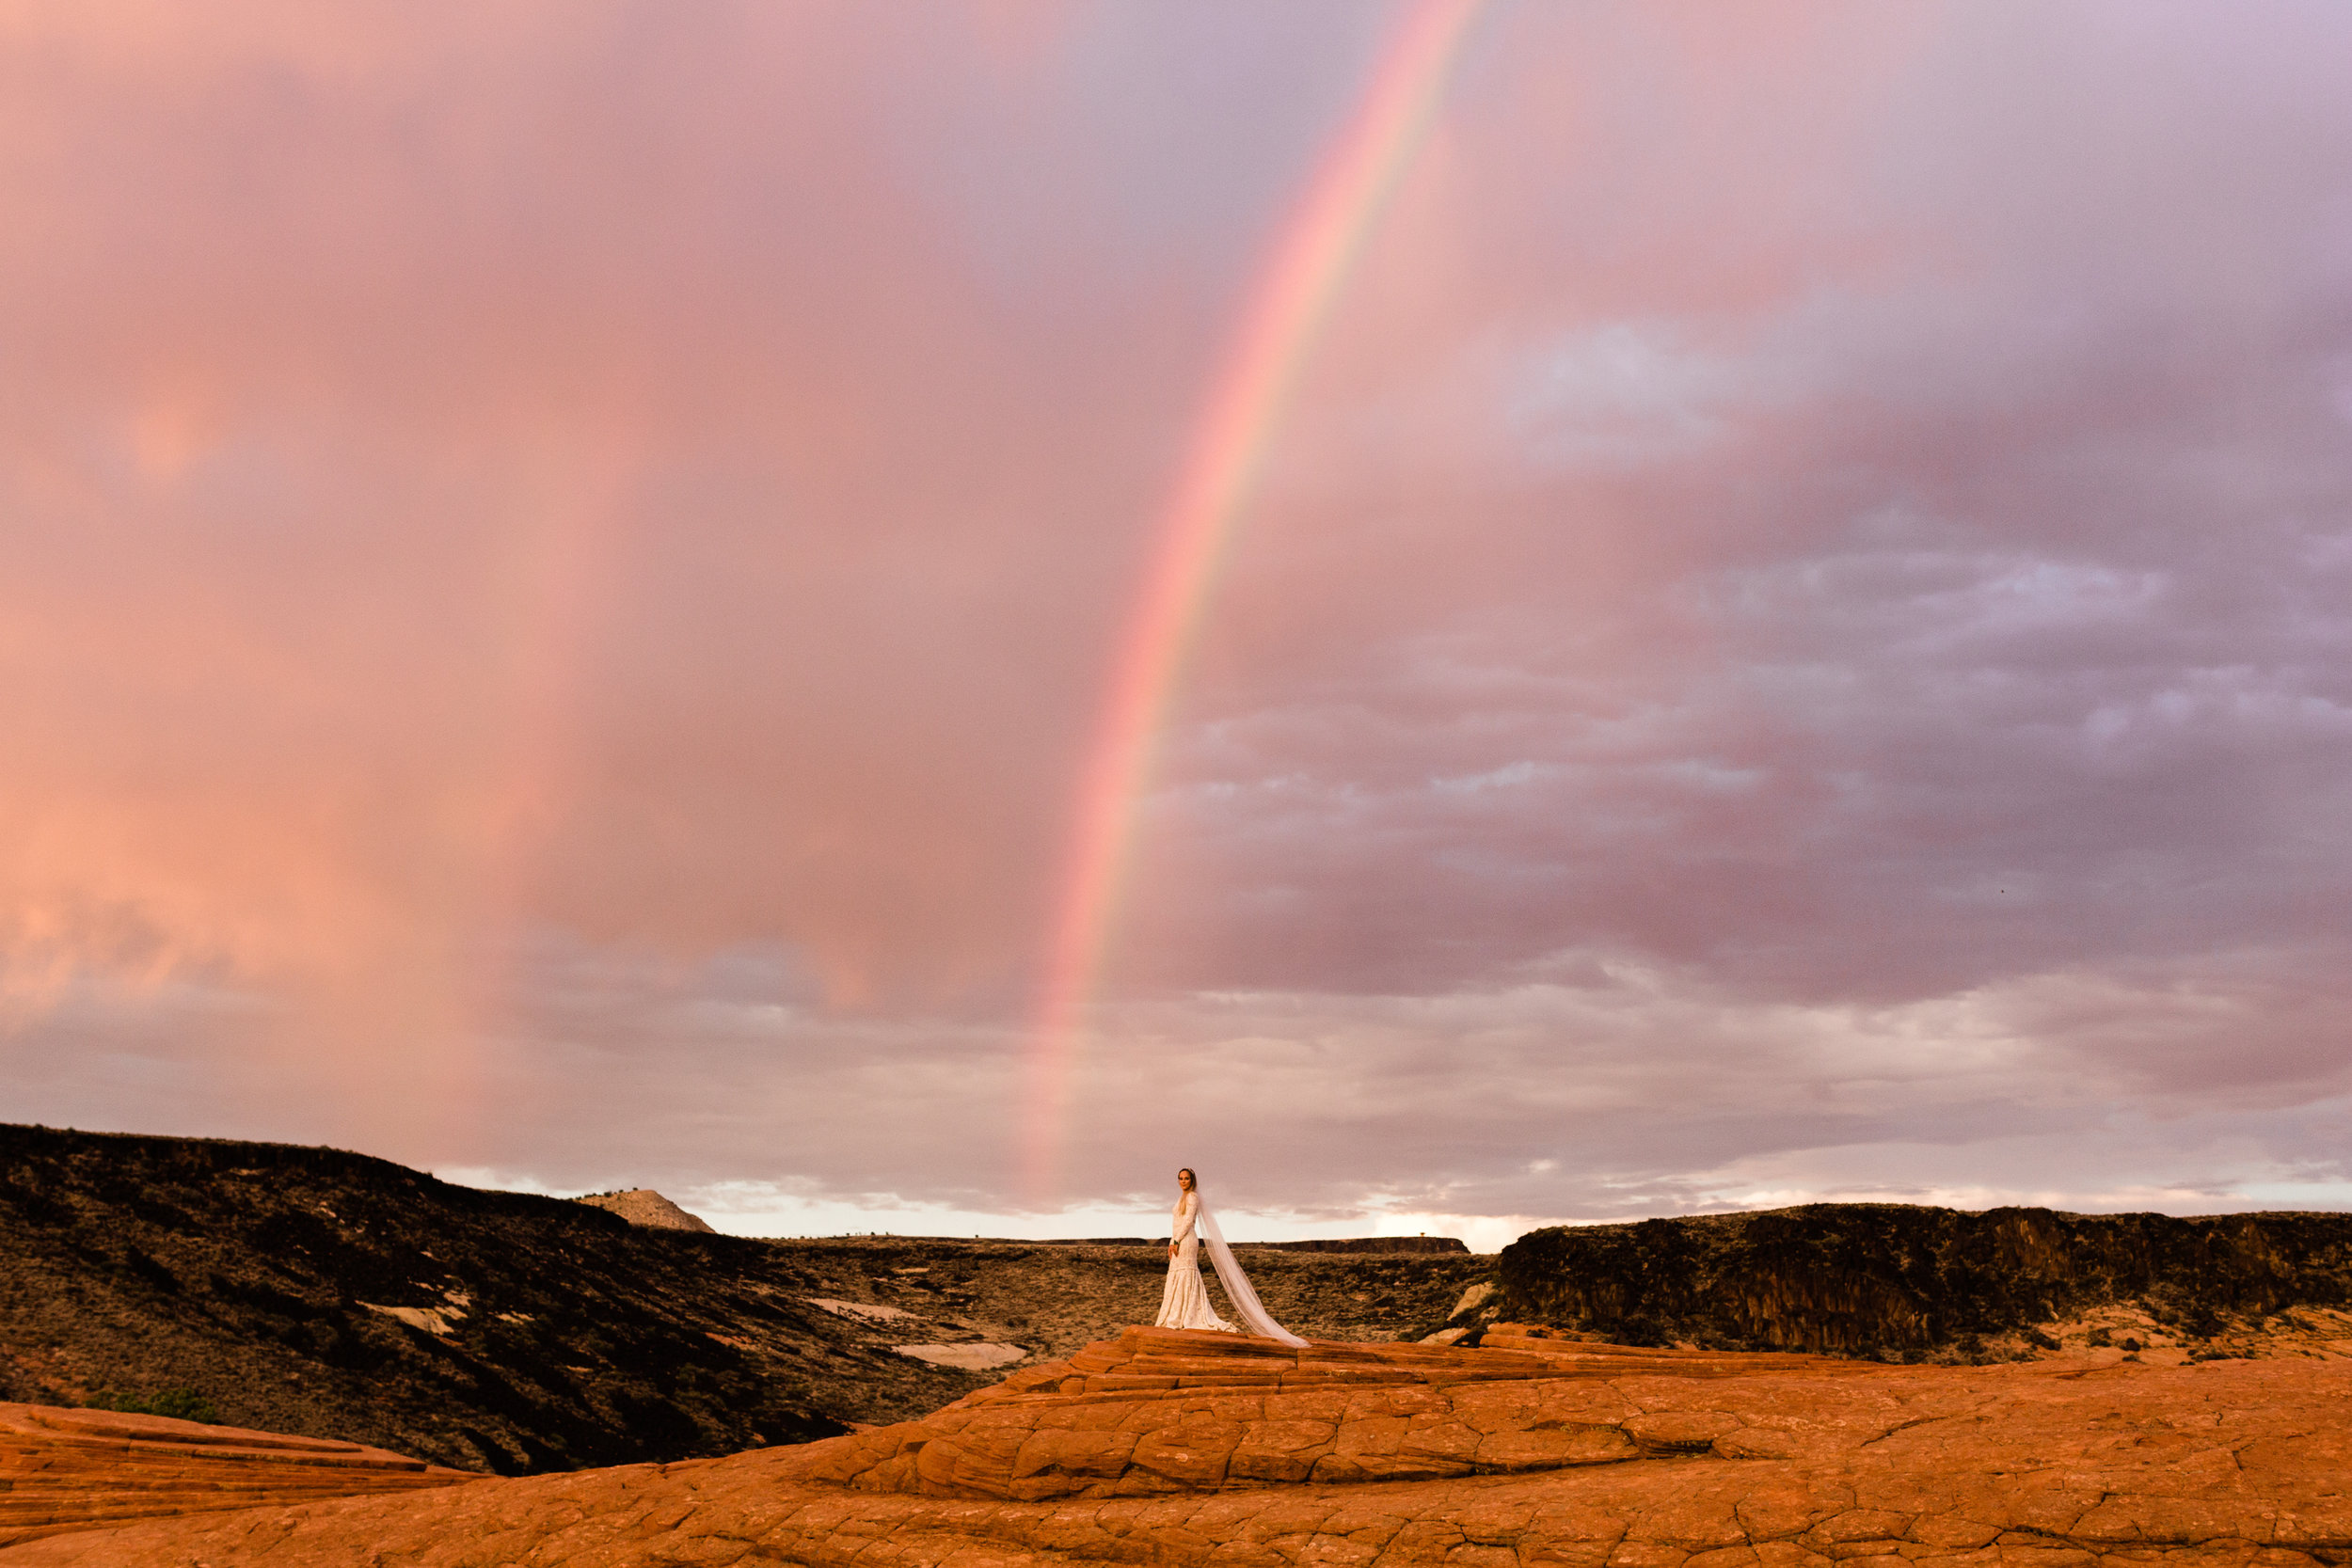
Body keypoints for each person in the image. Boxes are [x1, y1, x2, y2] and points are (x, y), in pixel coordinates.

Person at [1152, 1168, 1309, 1347]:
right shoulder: (1181, 1198)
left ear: (1192, 1180)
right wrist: (1172, 1240)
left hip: (1186, 1241)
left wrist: (1177, 1240)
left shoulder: (1193, 1197)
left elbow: (1188, 1221)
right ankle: (1176, 1314)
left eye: (1186, 1178)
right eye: (1180, 1178)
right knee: (1176, 1273)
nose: (1183, 1181)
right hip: (1178, 1239)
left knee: (1186, 1273)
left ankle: (1184, 1315)